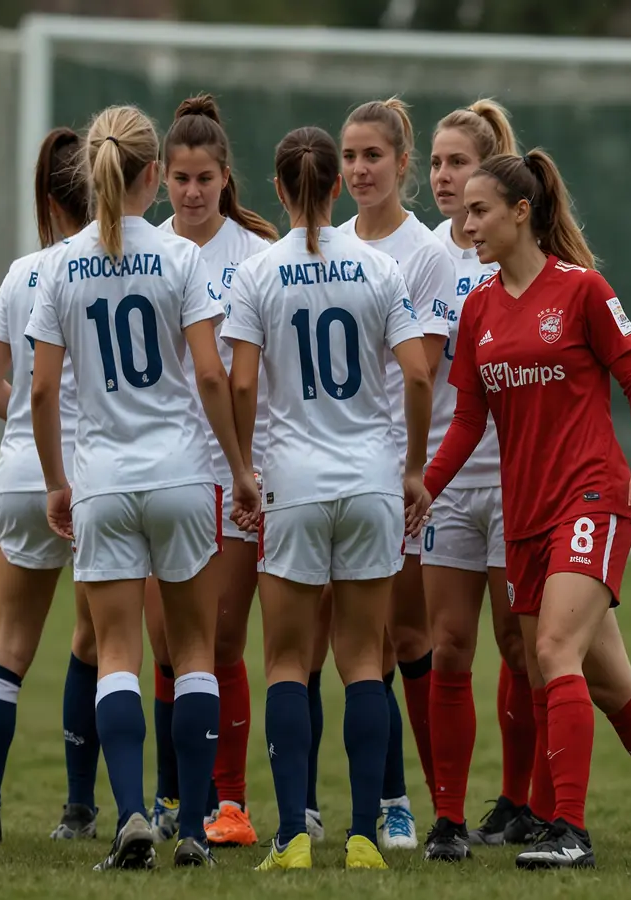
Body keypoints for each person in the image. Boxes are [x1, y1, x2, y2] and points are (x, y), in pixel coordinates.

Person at [415, 150, 631, 869]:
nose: (467, 224)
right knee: (606, 683)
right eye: (464, 213)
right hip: (526, 513)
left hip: (590, 494)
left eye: (479, 211)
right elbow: (467, 422)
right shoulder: (477, 308)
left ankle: (568, 831)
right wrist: (423, 488)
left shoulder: (583, 289)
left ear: (521, 212)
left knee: (553, 652)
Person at [26, 103, 257, 871]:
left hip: (102, 479)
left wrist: (56, 482)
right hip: (183, 475)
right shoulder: (182, 258)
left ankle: (131, 817)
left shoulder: (60, 265)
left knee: (117, 654)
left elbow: (41, 390)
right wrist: (240, 467)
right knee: (194, 652)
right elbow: (211, 375)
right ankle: (192, 826)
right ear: (154, 174)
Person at [221, 124, 432, 871]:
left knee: (286, 660)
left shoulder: (258, 273)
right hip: (371, 480)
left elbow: (241, 383)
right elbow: (418, 374)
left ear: (279, 189)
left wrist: (244, 469)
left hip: (295, 483)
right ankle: (367, 837)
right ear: (336, 187)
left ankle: (292, 838)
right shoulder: (380, 268)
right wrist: (412, 467)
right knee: (365, 660)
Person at [145, 93, 277, 849]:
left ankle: (230, 802)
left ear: (226, 177)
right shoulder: (147, 250)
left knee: (221, 643)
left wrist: (251, 465)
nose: (192, 192)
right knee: (166, 649)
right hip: (163, 471)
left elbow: (264, 374)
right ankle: (174, 797)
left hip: (235, 475)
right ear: (162, 178)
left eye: (205, 179)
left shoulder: (256, 256)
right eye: (180, 178)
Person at [0, 126, 100, 844]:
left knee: (9, 643)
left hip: (23, 470)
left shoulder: (22, 273)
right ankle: (79, 809)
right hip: (98, 472)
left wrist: (28, 417)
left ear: (48, 198)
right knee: (99, 642)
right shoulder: (110, 265)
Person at [422, 99, 540, 862]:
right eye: (435, 163)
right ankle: (447, 817)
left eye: (458, 163)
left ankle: (522, 802)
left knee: (520, 645)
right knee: (448, 647)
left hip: (518, 477)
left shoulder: (520, 249)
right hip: (450, 474)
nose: (443, 177)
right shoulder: (428, 251)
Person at [337, 96, 452, 850]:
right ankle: (383, 800)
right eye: (349, 156)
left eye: (373, 156)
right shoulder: (326, 244)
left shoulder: (426, 253)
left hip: (399, 466)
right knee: (352, 644)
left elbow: (423, 371)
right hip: (334, 469)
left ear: (401, 163)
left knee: (405, 635)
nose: (359, 170)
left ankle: (435, 806)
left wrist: (407, 467)